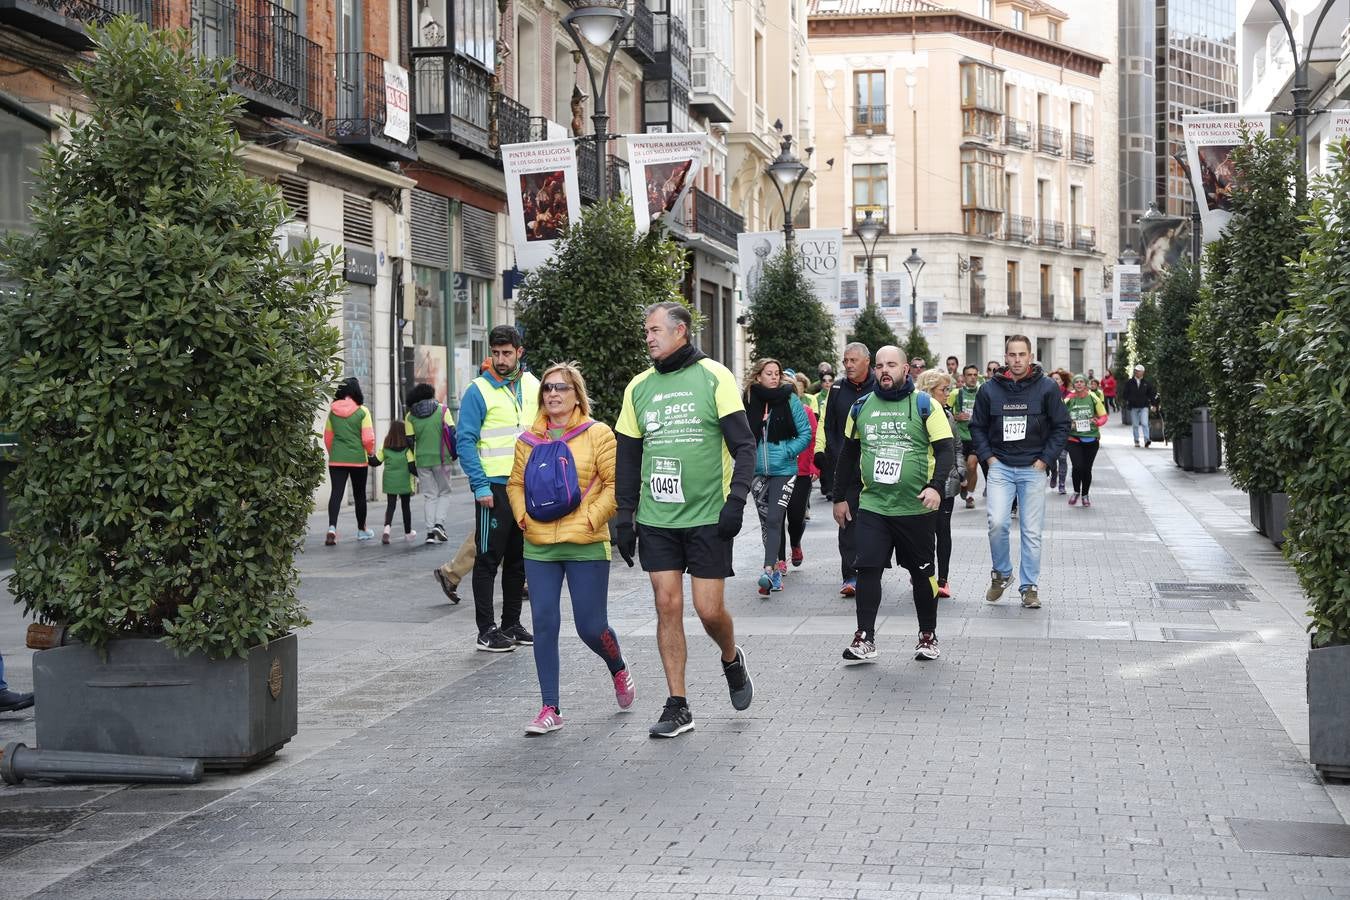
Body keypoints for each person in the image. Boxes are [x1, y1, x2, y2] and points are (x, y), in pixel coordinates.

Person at [614, 303, 755, 737]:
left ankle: (731, 657)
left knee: (708, 610)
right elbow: (628, 456)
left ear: (680, 331)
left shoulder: (715, 376)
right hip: (658, 516)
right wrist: (624, 515)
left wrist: (736, 501)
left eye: (655, 330)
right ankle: (678, 704)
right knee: (667, 604)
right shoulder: (638, 386)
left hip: (708, 515)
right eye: (645, 332)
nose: (648, 338)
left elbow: (745, 446)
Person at [507, 362, 633, 735]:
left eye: (561, 388)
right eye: (547, 388)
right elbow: (515, 484)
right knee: (544, 623)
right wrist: (522, 519)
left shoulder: (599, 435)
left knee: (591, 627)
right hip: (539, 545)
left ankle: (618, 667)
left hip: (586, 544)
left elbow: (615, 485)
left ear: (577, 394)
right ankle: (550, 707)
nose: (553, 394)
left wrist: (593, 519)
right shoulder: (527, 440)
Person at [833, 347, 955, 664]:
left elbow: (945, 451)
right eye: (879, 366)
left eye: (891, 365)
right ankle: (865, 638)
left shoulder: (925, 405)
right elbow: (847, 454)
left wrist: (936, 487)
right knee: (868, 568)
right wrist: (839, 497)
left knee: (922, 573)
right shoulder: (862, 407)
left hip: (916, 507)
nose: (885, 370)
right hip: (874, 505)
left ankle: (927, 635)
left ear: (905, 369)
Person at [969, 334, 1070, 610]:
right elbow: (976, 426)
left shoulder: (1047, 388)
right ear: (1005, 357)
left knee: (1031, 531)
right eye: (1011, 355)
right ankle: (1002, 574)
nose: (1016, 360)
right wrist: (988, 459)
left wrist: (1045, 460)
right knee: (998, 523)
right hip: (1000, 467)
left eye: (1021, 355)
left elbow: (1062, 425)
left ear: (1030, 356)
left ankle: (1029, 587)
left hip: (1033, 468)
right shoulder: (989, 389)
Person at [457, 325, 539, 653]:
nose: (501, 359)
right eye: (496, 353)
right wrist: (479, 485)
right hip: (493, 486)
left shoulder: (534, 385)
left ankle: (511, 624)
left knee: (519, 559)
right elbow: (465, 440)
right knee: (488, 559)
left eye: (507, 353)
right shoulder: (479, 390)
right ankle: (486, 630)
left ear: (520, 352)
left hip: (527, 487)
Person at [742, 359, 811, 595]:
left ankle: (769, 570)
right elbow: (739, 434)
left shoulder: (789, 397)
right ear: (758, 376)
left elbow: (805, 433)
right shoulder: (749, 399)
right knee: (766, 523)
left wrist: (787, 451)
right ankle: (774, 570)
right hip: (757, 471)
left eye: (777, 373)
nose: (774, 377)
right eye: (768, 373)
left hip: (784, 470)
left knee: (774, 518)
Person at [821, 342, 878, 597]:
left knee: (877, 522)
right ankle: (850, 575)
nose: (848, 365)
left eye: (853, 360)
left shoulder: (879, 387)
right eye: (845, 361)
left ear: (867, 361)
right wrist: (836, 454)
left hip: (876, 466)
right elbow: (830, 427)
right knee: (846, 520)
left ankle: (873, 568)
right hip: (847, 467)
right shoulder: (836, 389)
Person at [916, 370, 963, 599]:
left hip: (946, 483)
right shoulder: (918, 412)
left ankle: (943, 579)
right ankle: (925, 575)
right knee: (923, 533)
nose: (948, 394)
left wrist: (960, 471)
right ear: (930, 390)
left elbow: (957, 446)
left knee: (943, 530)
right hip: (922, 482)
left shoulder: (947, 414)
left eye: (948, 389)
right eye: (944, 390)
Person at [323, 377, 376, 545]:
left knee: (336, 493)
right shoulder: (363, 412)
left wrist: (335, 453)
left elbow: (327, 437)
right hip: (358, 460)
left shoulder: (332, 412)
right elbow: (368, 438)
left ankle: (332, 527)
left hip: (337, 459)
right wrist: (370, 452)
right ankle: (362, 530)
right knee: (360, 495)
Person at [404, 383, 456, 544]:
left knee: (429, 495)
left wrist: (412, 461)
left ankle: (429, 533)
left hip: (421, 460)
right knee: (445, 492)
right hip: (442, 458)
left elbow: (410, 442)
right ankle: (439, 524)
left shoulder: (410, 416)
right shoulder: (443, 410)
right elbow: (453, 433)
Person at [782, 373, 820, 567]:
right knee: (776, 518)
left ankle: (795, 543)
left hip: (801, 472)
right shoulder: (769, 412)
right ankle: (779, 559)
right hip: (776, 472)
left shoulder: (805, 412)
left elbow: (814, 440)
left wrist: (815, 467)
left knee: (796, 518)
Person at [1065, 374, 1108, 507]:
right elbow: (1059, 416)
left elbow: (1103, 416)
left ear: (1085, 384)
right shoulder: (1068, 399)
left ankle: (1085, 495)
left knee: (1087, 469)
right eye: (1076, 382)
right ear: (1073, 384)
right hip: (1073, 438)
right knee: (1077, 466)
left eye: (1081, 382)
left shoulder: (1093, 398)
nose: (1078, 384)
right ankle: (1076, 491)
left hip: (1091, 439)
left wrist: (1097, 422)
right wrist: (1068, 424)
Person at [375, 422, 417, 544]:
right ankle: (408, 533)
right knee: (405, 506)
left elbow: (376, 461)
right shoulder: (407, 450)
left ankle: (387, 530)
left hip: (390, 480)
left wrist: (366, 455)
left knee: (391, 505)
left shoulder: (385, 448)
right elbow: (412, 467)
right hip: (404, 481)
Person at [950, 364, 982, 509]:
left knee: (972, 465)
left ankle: (970, 495)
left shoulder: (982, 393)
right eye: (969, 375)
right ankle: (963, 483)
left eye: (975, 375)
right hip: (960, 437)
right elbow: (945, 412)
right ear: (963, 377)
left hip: (975, 436)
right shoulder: (956, 394)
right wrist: (957, 417)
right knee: (960, 469)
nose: (972, 377)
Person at [1045, 370, 1073, 494]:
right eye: (1052, 379)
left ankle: (1062, 484)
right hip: (1049, 431)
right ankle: (1054, 473)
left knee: (1062, 458)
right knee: (1051, 458)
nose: (1054, 381)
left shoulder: (1069, 395)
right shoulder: (1045, 393)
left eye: (1057, 379)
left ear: (1062, 381)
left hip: (1063, 431)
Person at [1122, 364, 1158, 448]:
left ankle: (1147, 440)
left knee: (1145, 423)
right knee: (1135, 425)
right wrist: (1128, 400)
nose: (1136, 372)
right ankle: (1136, 440)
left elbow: (1151, 394)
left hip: (1144, 406)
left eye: (1138, 371)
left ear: (1143, 372)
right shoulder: (1129, 382)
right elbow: (1125, 394)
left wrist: (1154, 405)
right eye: (1135, 370)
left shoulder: (1146, 383)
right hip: (1133, 406)